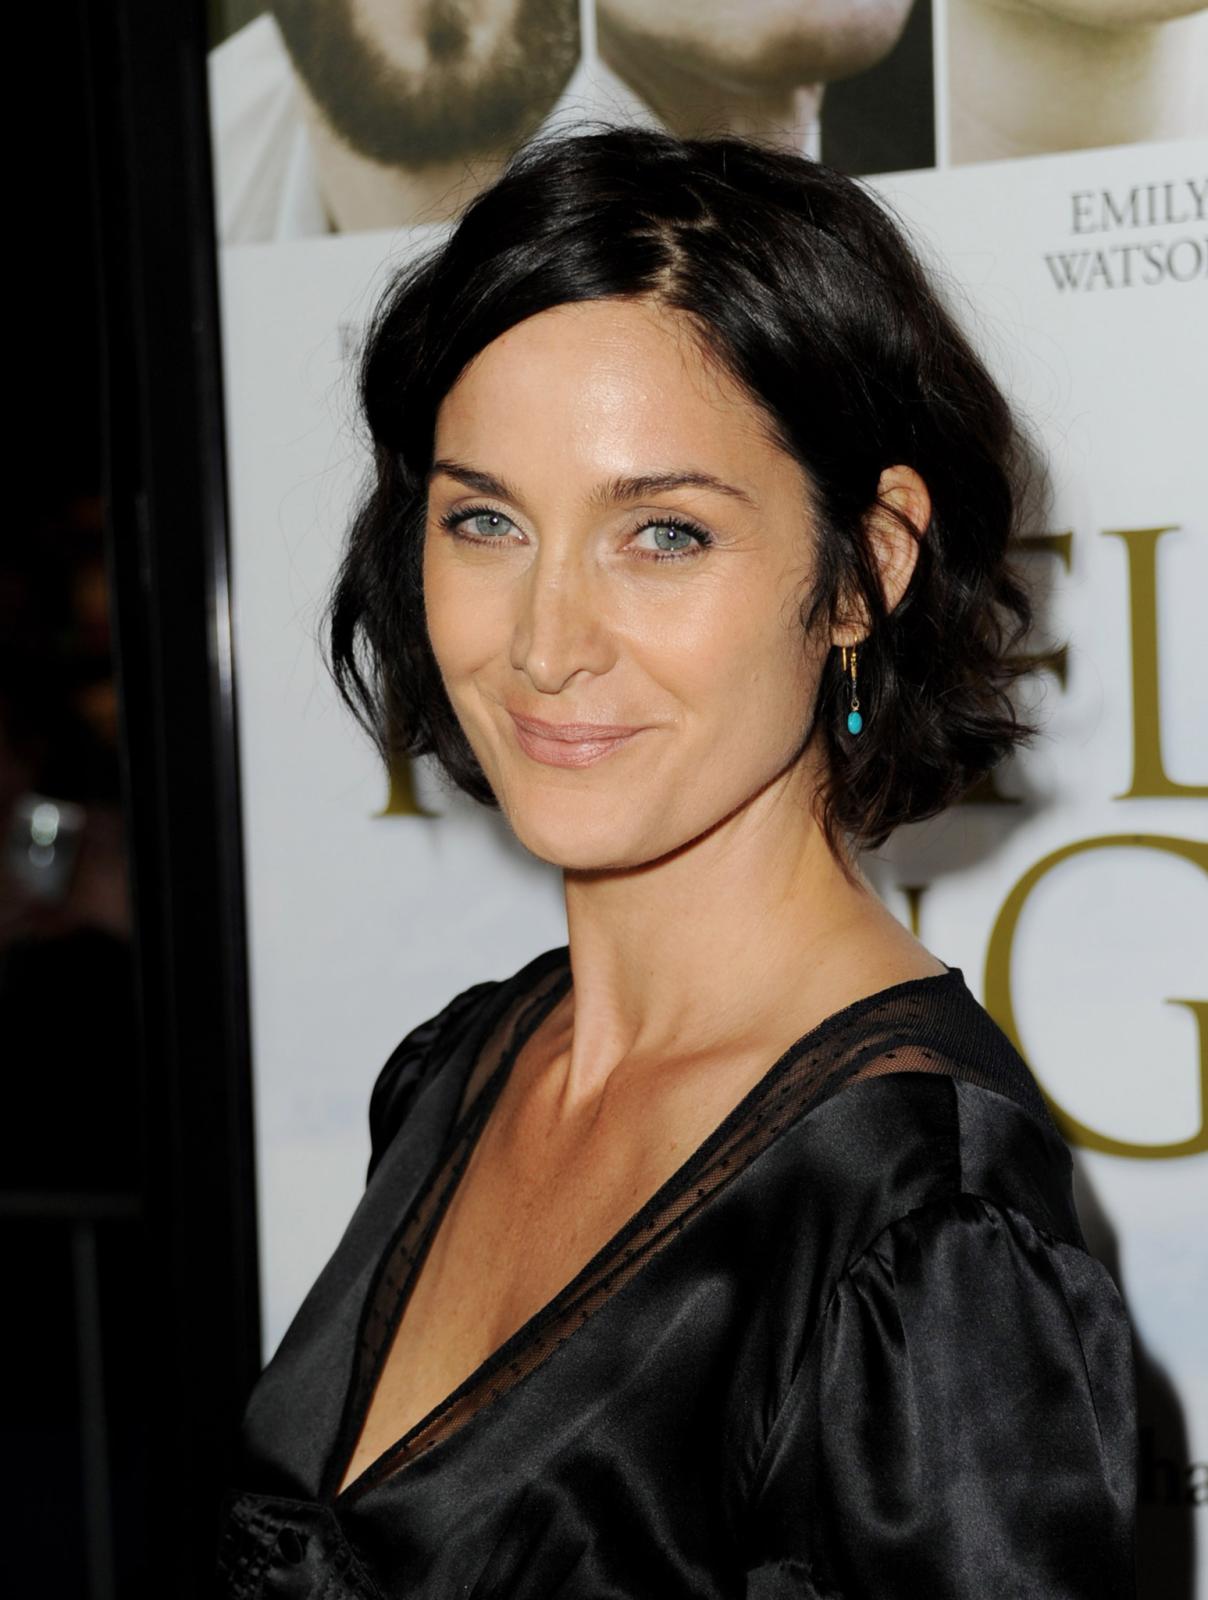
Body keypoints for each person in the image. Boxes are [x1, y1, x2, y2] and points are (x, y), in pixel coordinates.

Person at [216, 123, 1138, 1595]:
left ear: (869, 564)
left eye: (663, 534)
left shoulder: (919, 1231)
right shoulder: (462, 1068)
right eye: (485, 520)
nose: (545, 644)